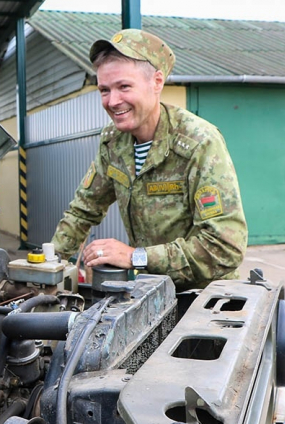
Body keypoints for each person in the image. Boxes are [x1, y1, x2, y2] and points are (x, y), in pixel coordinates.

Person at [51, 29, 247, 290]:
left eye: (124, 87)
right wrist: (46, 266)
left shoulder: (199, 143)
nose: (112, 101)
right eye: (104, 90)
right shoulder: (113, 142)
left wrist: (136, 257)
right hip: (150, 292)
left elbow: (224, 248)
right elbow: (82, 210)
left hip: (204, 300)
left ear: (156, 83)